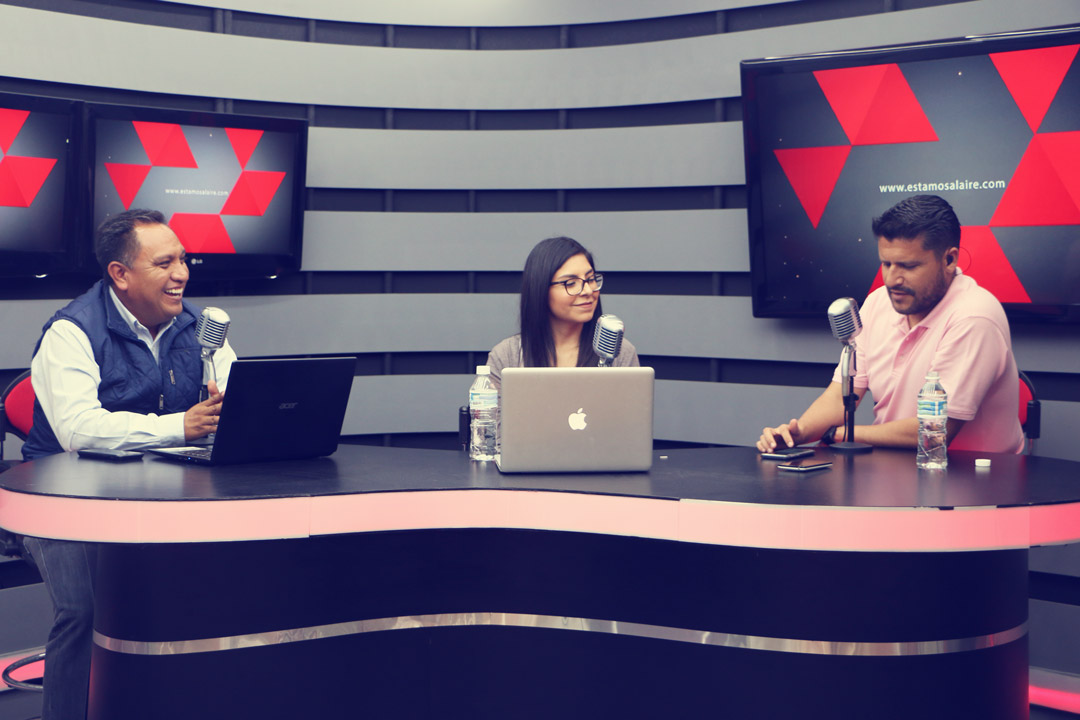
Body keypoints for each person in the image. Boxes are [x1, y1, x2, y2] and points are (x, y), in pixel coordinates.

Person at [19, 208, 237, 720]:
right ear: (119, 273)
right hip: (64, 499)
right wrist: (180, 426)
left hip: (163, 492)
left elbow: (230, 403)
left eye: (183, 260)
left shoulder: (200, 328)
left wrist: (234, 412)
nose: (181, 274)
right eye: (164, 263)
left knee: (210, 593)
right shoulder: (71, 331)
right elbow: (78, 430)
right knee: (87, 610)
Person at [756, 194, 1024, 455]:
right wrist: (799, 433)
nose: (892, 279)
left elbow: (934, 429)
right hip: (894, 467)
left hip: (975, 477)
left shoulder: (974, 317)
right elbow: (840, 396)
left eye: (908, 266)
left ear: (949, 260)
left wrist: (839, 435)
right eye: (886, 263)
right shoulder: (878, 303)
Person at [486, 236, 639, 388]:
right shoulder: (507, 356)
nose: (587, 291)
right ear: (541, 289)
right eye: (571, 283)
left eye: (590, 279)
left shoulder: (619, 353)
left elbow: (635, 404)